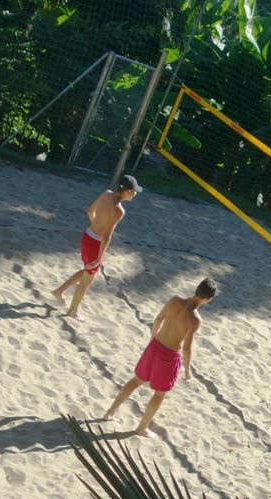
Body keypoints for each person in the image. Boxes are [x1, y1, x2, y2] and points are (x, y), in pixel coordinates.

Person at [103, 278, 217, 437]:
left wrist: (153, 337)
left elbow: (158, 319)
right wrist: (187, 370)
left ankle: (110, 412)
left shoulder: (175, 299)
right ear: (208, 299)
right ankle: (142, 427)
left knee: (136, 380)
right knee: (159, 394)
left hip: (155, 346)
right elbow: (186, 347)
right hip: (169, 356)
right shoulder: (195, 319)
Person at [52, 175, 142, 319]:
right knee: (86, 281)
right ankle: (72, 311)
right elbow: (106, 236)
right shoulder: (119, 211)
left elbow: (89, 211)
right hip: (95, 244)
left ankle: (59, 291)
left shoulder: (106, 194)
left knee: (87, 271)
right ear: (127, 191)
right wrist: (99, 258)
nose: (135, 193)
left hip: (87, 235)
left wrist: (96, 225)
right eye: (134, 191)